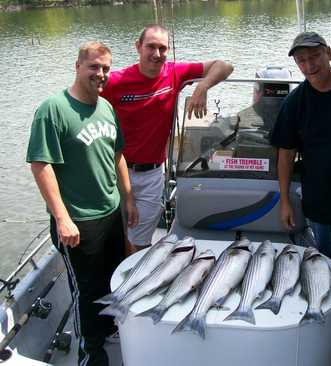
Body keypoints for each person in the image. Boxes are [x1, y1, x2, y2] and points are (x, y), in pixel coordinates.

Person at [26, 41, 138, 366]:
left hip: (111, 212)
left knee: (114, 279)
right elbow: (40, 164)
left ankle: (109, 330)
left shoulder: (106, 108)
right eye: (94, 67)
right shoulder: (54, 109)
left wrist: (128, 199)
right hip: (78, 222)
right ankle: (89, 354)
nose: (100, 74)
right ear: (77, 66)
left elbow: (117, 156)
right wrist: (62, 218)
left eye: (105, 68)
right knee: (86, 294)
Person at [102, 24, 233, 254]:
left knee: (140, 239)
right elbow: (83, 94)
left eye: (162, 48)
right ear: (138, 47)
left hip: (152, 174)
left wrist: (202, 86)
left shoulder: (174, 72)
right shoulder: (116, 81)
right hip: (114, 172)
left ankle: (135, 276)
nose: (156, 54)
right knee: (115, 235)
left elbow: (224, 66)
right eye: (150, 47)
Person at [270, 31, 331, 262]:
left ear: (328, 53)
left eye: (315, 56)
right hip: (320, 198)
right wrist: (285, 202)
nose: (309, 64)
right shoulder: (294, 102)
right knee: (327, 259)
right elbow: (286, 154)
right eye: (302, 60)